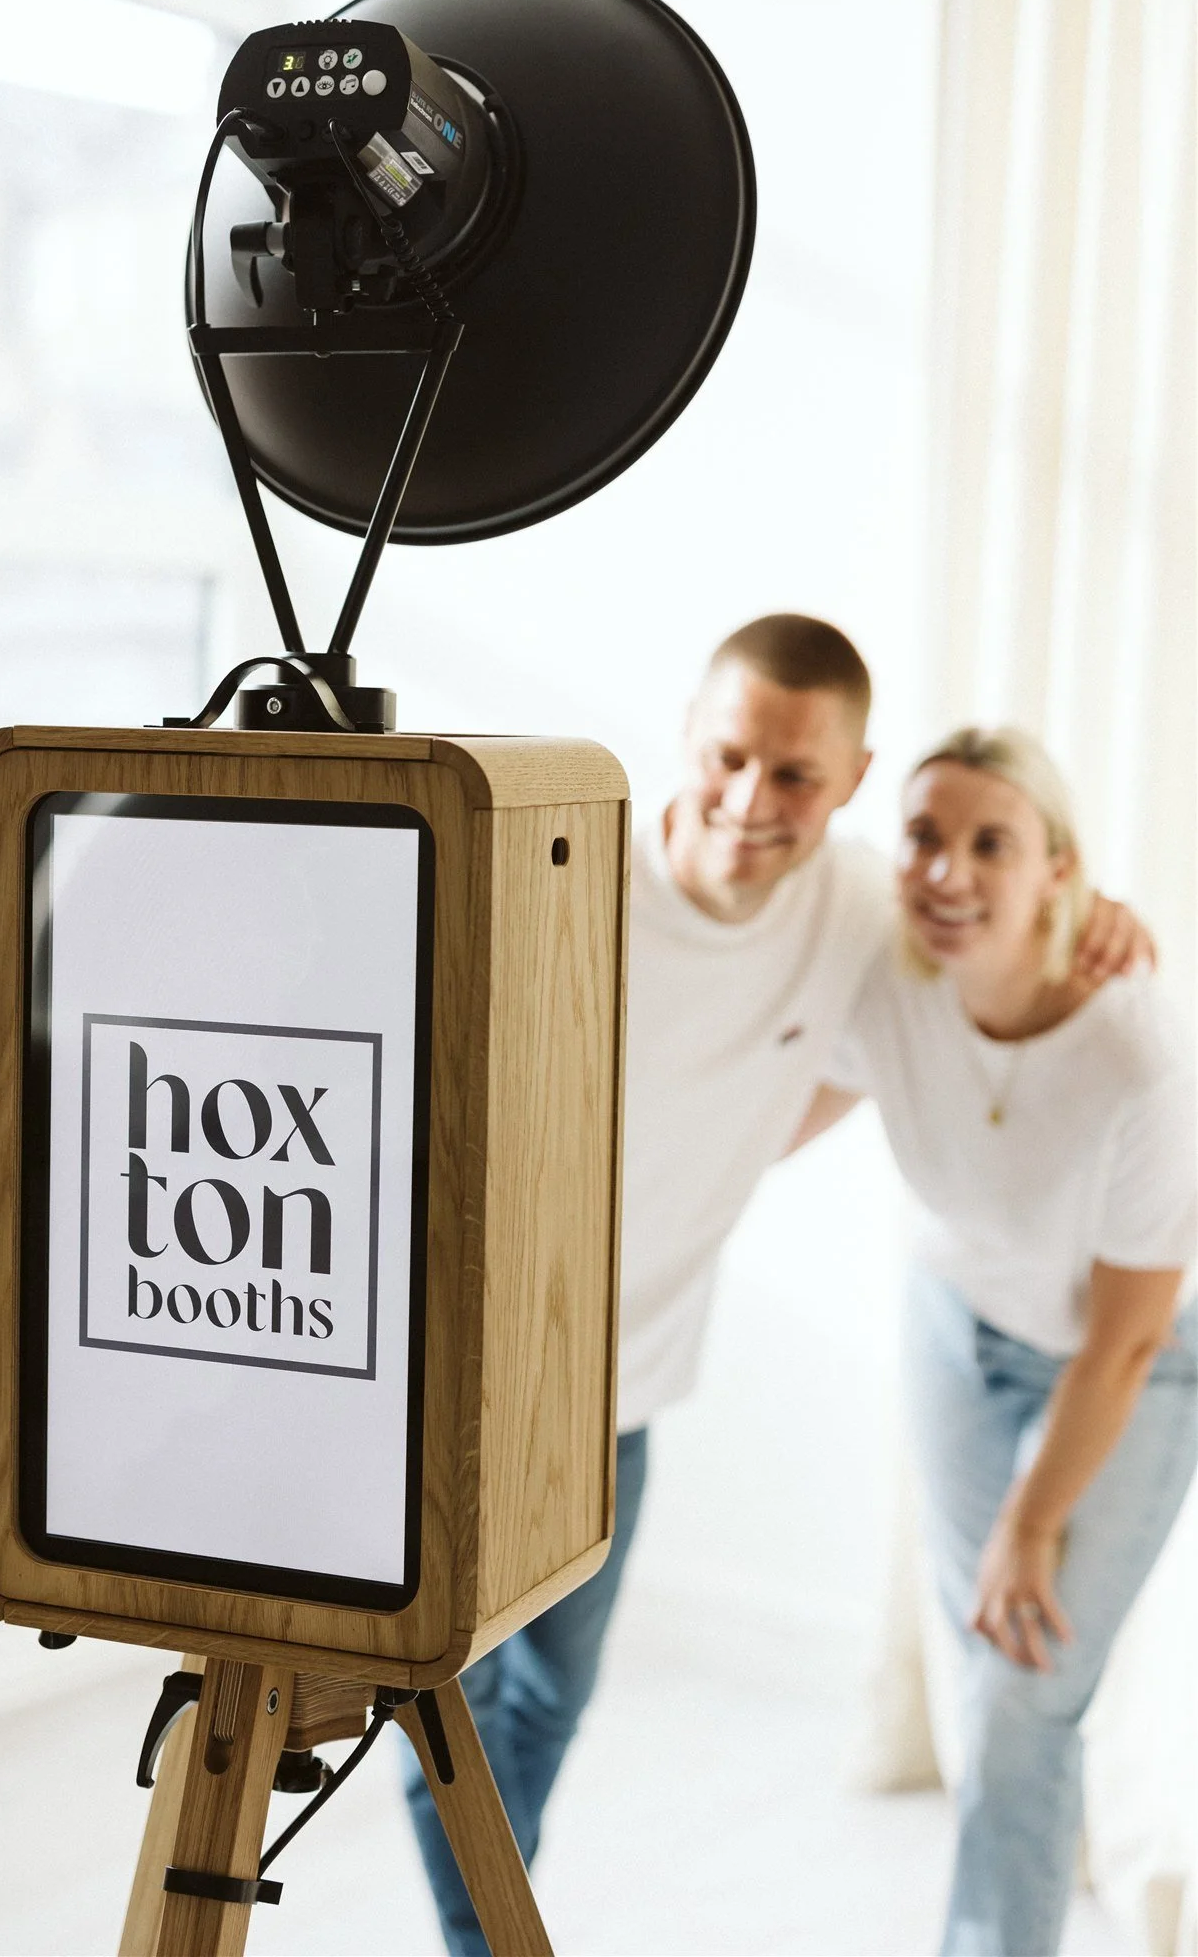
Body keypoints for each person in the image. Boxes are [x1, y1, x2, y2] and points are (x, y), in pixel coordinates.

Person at [402, 619, 1153, 1956]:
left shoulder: (862, 906)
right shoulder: (565, 876)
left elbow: (985, 911)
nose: (752, 801)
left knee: (547, 1700)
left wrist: (1094, 914)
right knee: (437, 1694)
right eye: (729, 756)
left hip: (622, 1384)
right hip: (454, 1361)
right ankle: (486, 1940)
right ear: (688, 737)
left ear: (851, 779)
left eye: (796, 774)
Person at [791, 726, 1196, 1957]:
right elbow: (768, 1112)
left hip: (1123, 1365)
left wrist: (1031, 1519)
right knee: (988, 1682)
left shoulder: (1135, 1053)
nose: (946, 870)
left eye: (990, 843)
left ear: (1059, 869)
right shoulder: (890, 980)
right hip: (955, 1336)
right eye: (924, 835)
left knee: (1026, 1690)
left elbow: (1124, 1341)